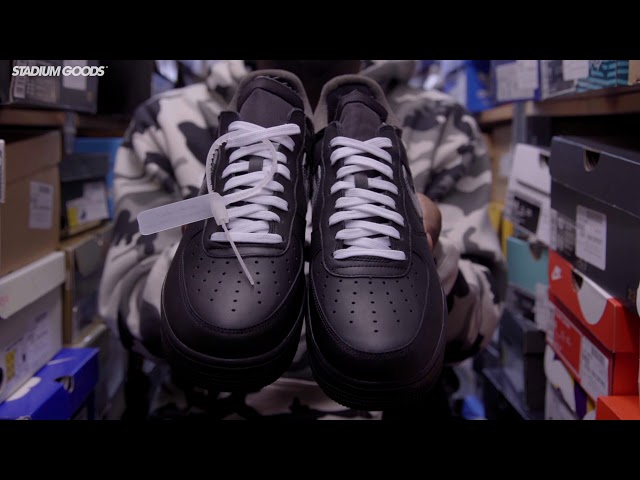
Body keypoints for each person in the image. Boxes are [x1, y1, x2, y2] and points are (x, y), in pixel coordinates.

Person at [98, 60, 506, 420]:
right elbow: (122, 304)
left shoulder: (445, 123)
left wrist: (430, 256)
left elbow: (481, 325)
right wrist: (193, 248)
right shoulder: (165, 119)